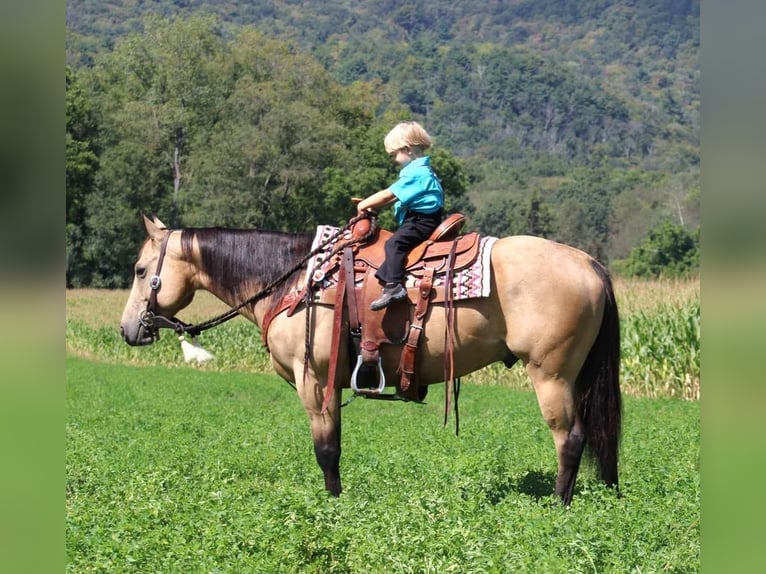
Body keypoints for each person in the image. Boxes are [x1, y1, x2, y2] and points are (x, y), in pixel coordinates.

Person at [355, 121, 444, 310]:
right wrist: (373, 206)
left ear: (408, 149)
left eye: (395, 154)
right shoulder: (422, 171)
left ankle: (393, 286)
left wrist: (364, 204)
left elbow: (389, 194)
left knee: (394, 243)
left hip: (421, 221)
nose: (395, 159)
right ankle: (384, 278)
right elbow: (394, 198)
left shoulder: (417, 174)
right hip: (421, 219)